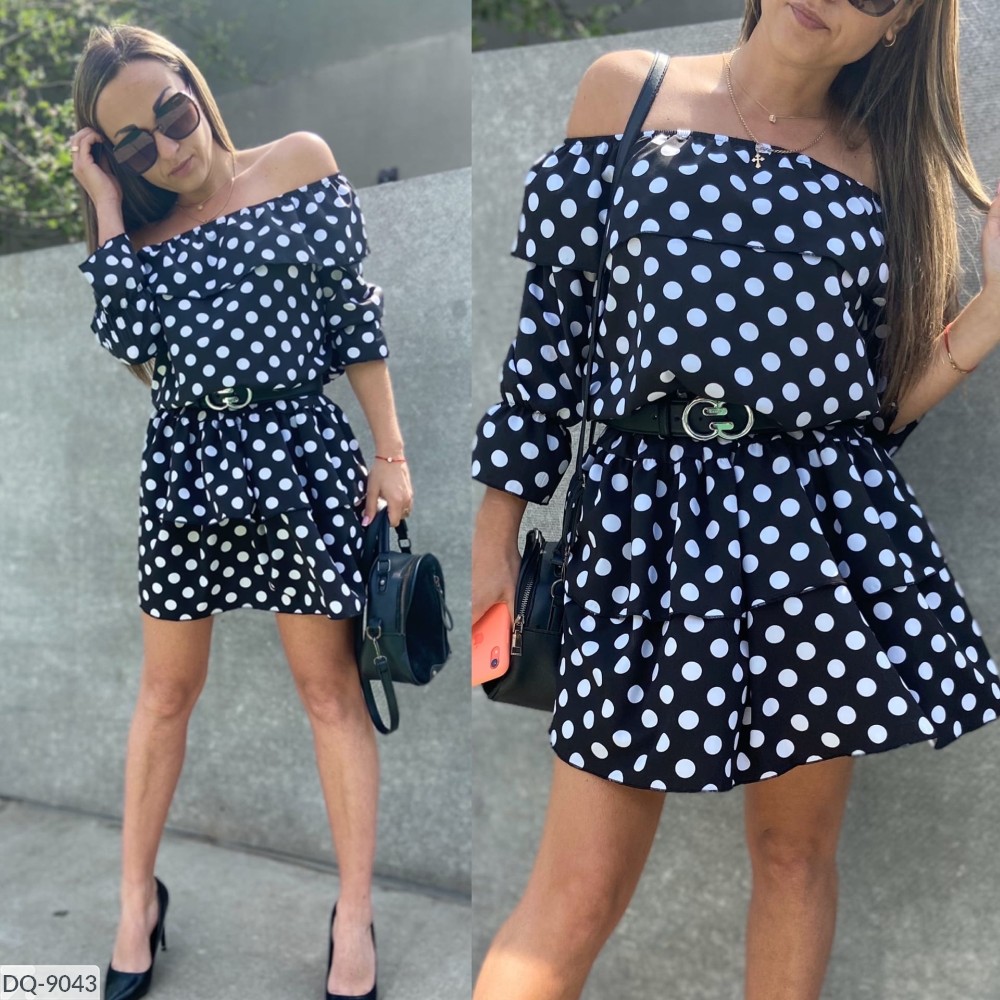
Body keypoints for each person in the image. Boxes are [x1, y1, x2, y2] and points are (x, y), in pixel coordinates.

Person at [471, 1, 1000, 997]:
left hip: (814, 536)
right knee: (576, 892)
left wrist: (990, 313)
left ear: (899, 26)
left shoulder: (889, 164)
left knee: (794, 859)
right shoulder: (628, 93)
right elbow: (548, 348)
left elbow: (877, 410)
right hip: (639, 527)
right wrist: (495, 532)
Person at [70, 23, 410, 1000]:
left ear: (194, 89)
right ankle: (135, 902)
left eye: (171, 114)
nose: (165, 146)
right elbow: (126, 337)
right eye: (132, 143)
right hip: (185, 467)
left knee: (328, 690)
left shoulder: (298, 162)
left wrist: (390, 453)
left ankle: (353, 915)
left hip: (300, 456)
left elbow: (352, 315)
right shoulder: (136, 236)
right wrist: (105, 203)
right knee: (165, 693)